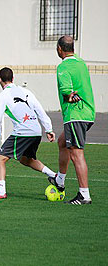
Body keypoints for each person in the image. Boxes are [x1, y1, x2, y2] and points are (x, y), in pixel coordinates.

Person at [0, 67, 56, 199]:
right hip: (36, 131)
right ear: (13, 79)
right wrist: (49, 129)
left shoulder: (2, 96)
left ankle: (1, 192)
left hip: (23, 132)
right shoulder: (26, 91)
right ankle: (54, 176)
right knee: (25, 159)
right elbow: (40, 110)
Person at [49, 35, 95, 205]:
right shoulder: (82, 63)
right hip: (88, 113)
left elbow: (67, 91)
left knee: (76, 153)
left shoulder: (63, 67)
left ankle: (84, 195)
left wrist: (69, 96)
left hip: (76, 115)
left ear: (60, 49)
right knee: (62, 142)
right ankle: (60, 180)